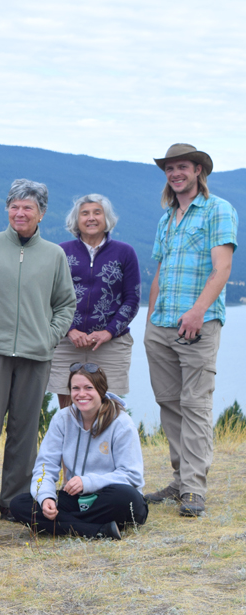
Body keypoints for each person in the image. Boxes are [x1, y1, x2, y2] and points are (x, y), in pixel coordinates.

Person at [0, 179, 76, 527]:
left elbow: (65, 304)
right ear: (7, 209)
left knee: (25, 433)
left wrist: (49, 337)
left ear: (41, 213)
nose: (20, 213)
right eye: (14, 206)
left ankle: (14, 502)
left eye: (28, 207)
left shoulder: (54, 255)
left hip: (35, 357)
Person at [143, 143, 238, 517]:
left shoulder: (218, 210)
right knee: (170, 404)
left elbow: (223, 268)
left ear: (199, 170)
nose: (175, 173)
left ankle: (194, 490)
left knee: (196, 405)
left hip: (198, 324)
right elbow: (161, 273)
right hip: (161, 325)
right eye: (169, 168)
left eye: (182, 166)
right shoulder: (166, 218)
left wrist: (198, 311)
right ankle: (180, 479)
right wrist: (150, 319)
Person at [9, 363, 147, 539]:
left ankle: (65, 525)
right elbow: (45, 466)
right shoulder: (62, 418)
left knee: (127, 498)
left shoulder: (121, 422)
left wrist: (88, 482)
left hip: (108, 498)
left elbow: (132, 476)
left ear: (101, 390)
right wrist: (46, 498)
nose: (81, 394)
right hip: (76, 498)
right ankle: (97, 531)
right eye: (76, 388)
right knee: (19, 504)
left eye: (88, 388)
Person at [48, 195, 140, 409]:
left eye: (97, 212)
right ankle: (73, 444)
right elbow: (49, 297)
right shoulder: (60, 252)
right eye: (85, 213)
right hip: (66, 344)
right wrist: (69, 330)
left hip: (112, 345)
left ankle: (106, 445)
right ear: (76, 220)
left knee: (110, 410)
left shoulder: (125, 252)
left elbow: (132, 298)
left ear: (107, 218)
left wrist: (108, 332)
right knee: (69, 411)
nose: (91, 218)